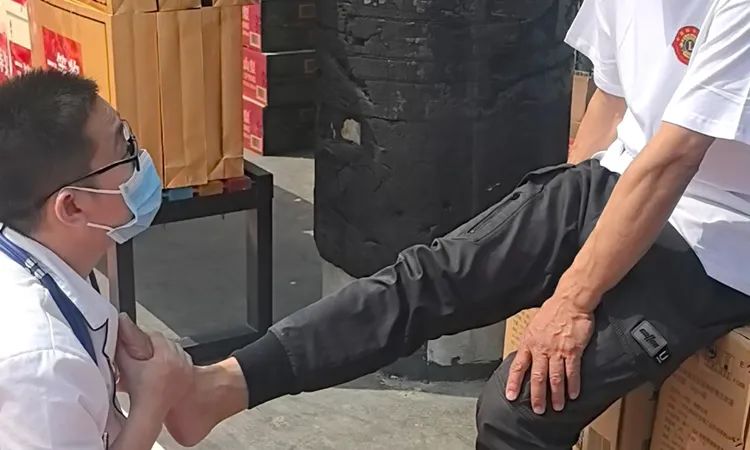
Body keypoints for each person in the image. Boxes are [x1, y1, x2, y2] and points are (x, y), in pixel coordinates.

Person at [128, 0, 750, 448]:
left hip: (718, 234)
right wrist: (556, 227)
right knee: (424, 279)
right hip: (619, 176)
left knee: (517, 411)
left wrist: (572, 298)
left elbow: (675, 158)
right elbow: (610, 100)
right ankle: (223, 387)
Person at [0, 70, 193, 449]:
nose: (141, 161)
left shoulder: (37, 253)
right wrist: (153, 401)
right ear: (71, 206)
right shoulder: (42, 366)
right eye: (125, 151)